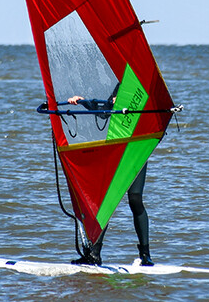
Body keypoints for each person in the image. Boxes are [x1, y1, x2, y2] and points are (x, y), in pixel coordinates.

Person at [65, 91, 154, 267]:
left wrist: (128, 104)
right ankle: (94, 254)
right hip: (116, 152)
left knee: (135, 199)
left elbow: (150, 114)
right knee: (105, 200)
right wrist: (84, 102)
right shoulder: (121, 87)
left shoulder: (140, 89)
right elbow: (104, 112)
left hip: (136, 151)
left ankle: (146, 255)